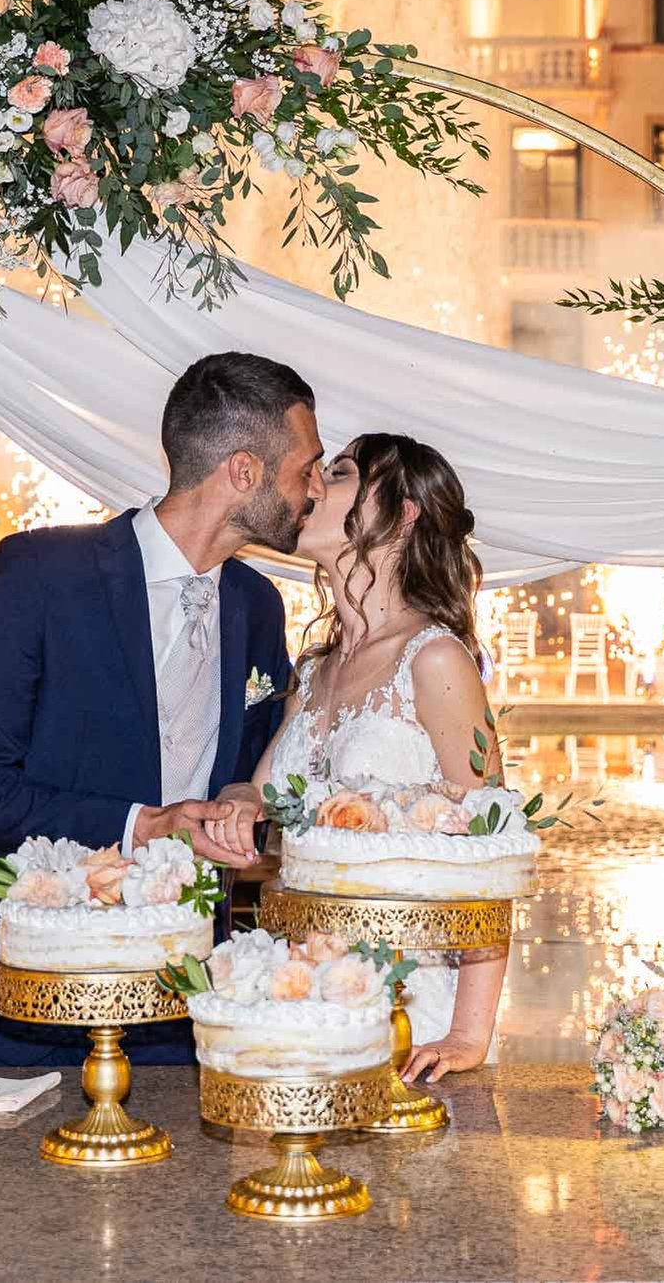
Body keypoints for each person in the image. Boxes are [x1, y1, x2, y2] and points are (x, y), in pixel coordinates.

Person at [0, 351, 319, 1066]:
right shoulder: (40, 573)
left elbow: (252, 766)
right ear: (245, 472)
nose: (315, 486)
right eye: (306, 466)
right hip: (31, 989)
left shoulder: (257, 605)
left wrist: (241, 801)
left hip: (180, 989)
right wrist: (141, 826)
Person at [202, 433, 505, 1085]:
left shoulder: (435, 659)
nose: (312, 484)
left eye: (338, 473)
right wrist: (240, 800)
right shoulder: (314, 670)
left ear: (401, 514)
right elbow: (263, 796)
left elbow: (492, 846)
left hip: (412, 1014)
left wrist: (468, 1034)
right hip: (311, 994)